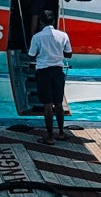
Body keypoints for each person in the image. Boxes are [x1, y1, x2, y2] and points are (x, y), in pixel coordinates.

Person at [27, 9, 72, 143]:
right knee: (58, 103)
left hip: (43, 71)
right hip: (58, 71)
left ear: (41, 21)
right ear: (53, 20)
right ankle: (61, 133)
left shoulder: (37, 37)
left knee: (47, 104)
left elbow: (31, 55)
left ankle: (50, 136)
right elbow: (68, 54)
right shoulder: (63, 35)